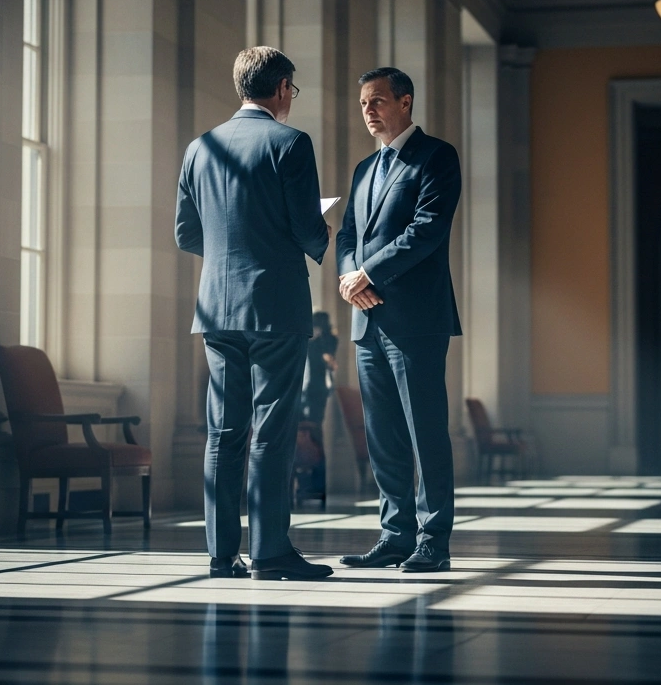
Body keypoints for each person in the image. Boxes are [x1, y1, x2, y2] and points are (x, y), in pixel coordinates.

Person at [175, 46, 334, 581]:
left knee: (224, 432)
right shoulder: (290, 143)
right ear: (284, 88)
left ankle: (221, 555)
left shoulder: (200, 147)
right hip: (275, 305)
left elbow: (186, 232)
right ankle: (269, 552)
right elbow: (307, 230)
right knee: (272, 428)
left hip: (215, 308)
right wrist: (325, 231)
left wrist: (231, 250)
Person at [334, 67, 462, 573]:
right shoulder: (364, 169)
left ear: (405, 102)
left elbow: (426, 229)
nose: (368, 110)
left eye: (378, 101)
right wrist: (350, 276)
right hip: (368, 320)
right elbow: (346, 235)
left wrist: (366, 274)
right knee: (382, 434)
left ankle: (434, 541)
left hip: (417, 319)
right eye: (363, 102)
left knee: (425, 431)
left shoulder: (437, 156)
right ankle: (393, 535)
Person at [296, 311, 338, 498]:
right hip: (303, 393)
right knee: (304, 437)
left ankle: (316, 485)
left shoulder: (326, 341)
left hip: (314, 394)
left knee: (314, 436)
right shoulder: (305, 340)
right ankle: (304, 484)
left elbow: (330, 360)